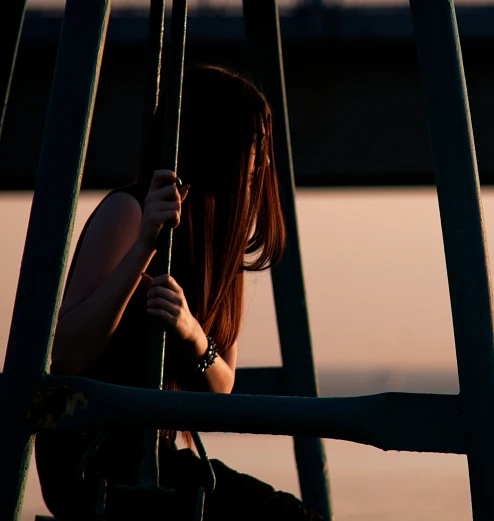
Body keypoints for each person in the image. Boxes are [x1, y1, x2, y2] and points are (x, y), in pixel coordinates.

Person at [35, 65, 323, 521]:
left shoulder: (218, 247)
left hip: (157, 457)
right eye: (255, 143)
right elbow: (66, 353)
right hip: (91, 460)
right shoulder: (129, 213)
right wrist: (145, 247)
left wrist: (192, 335)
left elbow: (221, 391)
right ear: (216, 145)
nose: (263, 161)